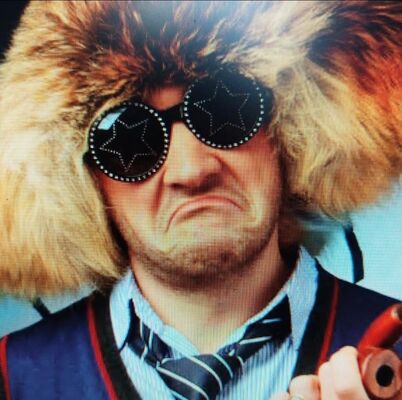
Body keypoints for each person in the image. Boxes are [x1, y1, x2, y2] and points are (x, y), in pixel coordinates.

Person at [0, 1, 401, 399]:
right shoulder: (12, 379)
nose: (191, 171)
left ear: (287, 127)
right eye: (126, 139)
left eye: (226, 108)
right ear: (83, 179)